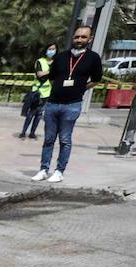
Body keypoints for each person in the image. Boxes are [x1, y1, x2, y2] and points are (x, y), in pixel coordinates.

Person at [33, 25, 103, 183]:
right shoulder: (61, 57)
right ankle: (43, 169)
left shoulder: (93, 58)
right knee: (48, 139)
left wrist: (81, 88)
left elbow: (97, 79)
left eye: (83, 37)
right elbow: (52, 76)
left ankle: (59, 171)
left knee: (65, 139)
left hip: (72, 105)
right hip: (52, 103)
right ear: (73, 38)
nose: (79, 40)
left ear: (89, 39)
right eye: (77, 37)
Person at [21, 43, 56, 140]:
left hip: (47, 92)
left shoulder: (56, 62)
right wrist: (52, 72)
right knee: (31, 113)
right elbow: (39, 74)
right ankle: (23, 132)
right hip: (37, 92)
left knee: (39, 114)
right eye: (50, 49)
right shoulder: (40, 61)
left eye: (53, 49)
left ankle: (32, 133)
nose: (52, 51)